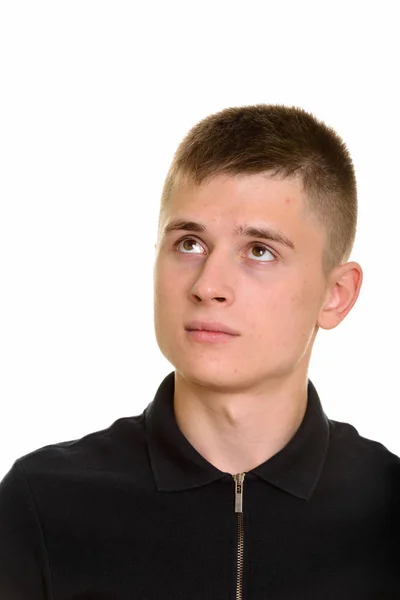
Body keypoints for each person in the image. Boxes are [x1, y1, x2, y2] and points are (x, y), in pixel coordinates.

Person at [1, 104, 399, 600]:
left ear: (336, 294)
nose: (208, 285)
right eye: (189, 243)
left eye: (259, 251)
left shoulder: (389, 512)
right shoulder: (42, 505)